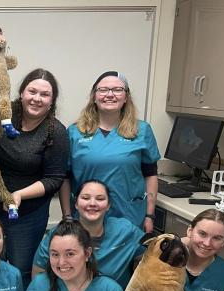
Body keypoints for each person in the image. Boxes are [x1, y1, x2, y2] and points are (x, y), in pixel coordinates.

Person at [0, 68, 69, 288]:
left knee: (20, 272)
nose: (37, 98)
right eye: (32, 91)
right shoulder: (1, 115)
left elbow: (54, 179)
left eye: (44, 94)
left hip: (27, 215)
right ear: (21, 92)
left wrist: (18, 195)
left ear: (52, 100)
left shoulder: (55, 132)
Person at [65, 71, 160, 232]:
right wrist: (67, 216)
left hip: (130, 215)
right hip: (86, 217)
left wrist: (149, 215)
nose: (110, 94)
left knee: (129, 256)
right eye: (103, 90)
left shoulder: (142, 130)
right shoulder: (75, 132)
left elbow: (150, 174)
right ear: (94, 97)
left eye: (117, 90)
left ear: (126, 97)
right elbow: (64, 178)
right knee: (86, 254)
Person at [32, 179, 144, 289]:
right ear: (76, 204)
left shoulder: (125, 231)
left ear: (108, 205)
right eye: (85, 198)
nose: (92, 203)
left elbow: (153, 249)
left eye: (100, 199)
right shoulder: (59, 234)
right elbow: (39, 274)